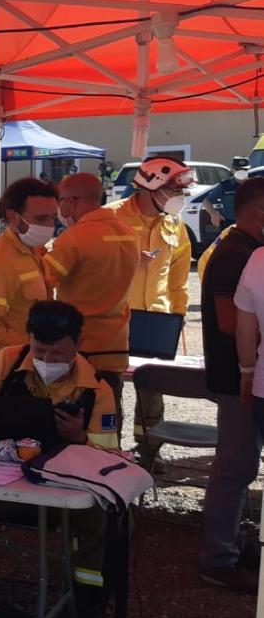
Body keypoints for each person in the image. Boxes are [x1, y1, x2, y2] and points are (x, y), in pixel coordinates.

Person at [0, 301, 118, 618]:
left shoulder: (97, 389)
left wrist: (80, 439)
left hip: (60, 497)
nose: (46, 360)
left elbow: (108, 459)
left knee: (100, 509)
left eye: (57, 354)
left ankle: (86, 602)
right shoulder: (7, 361)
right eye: (40, 351)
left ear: (79, 344)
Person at [106, 156, 194, 462]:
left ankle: (149, 452)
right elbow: (88, 268)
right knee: (108, 389)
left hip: (157, 319)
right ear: (151, 188)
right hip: (114, 320)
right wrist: (124, 260)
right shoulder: (108, 218)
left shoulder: (174, 223)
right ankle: (107, 451)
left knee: (152, 391)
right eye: (174, 190)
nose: (180, 198)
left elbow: (178, 278)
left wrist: (178, 316)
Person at [203, 178, 264, 592]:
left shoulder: (245, 250)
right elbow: (230, 321)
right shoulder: (235, 254)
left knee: (241, 467)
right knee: (235, 467)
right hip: (237, 381)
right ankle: (217, 558)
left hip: (246, 377)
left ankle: (235, 544)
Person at [45, 173, 140, 405]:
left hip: (80, 346)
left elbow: (44, 281)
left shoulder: (74, 238)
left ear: (69, 201)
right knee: (108, 417)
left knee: (74, 421)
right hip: (116, 346)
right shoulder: (130, 234)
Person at [0, 177, 58, 372]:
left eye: (53, 218)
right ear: (14, 217)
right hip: (3, 379)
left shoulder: (34, 251)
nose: (50, 225)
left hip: (30, 371)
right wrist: (39, 351)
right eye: (42, 219)